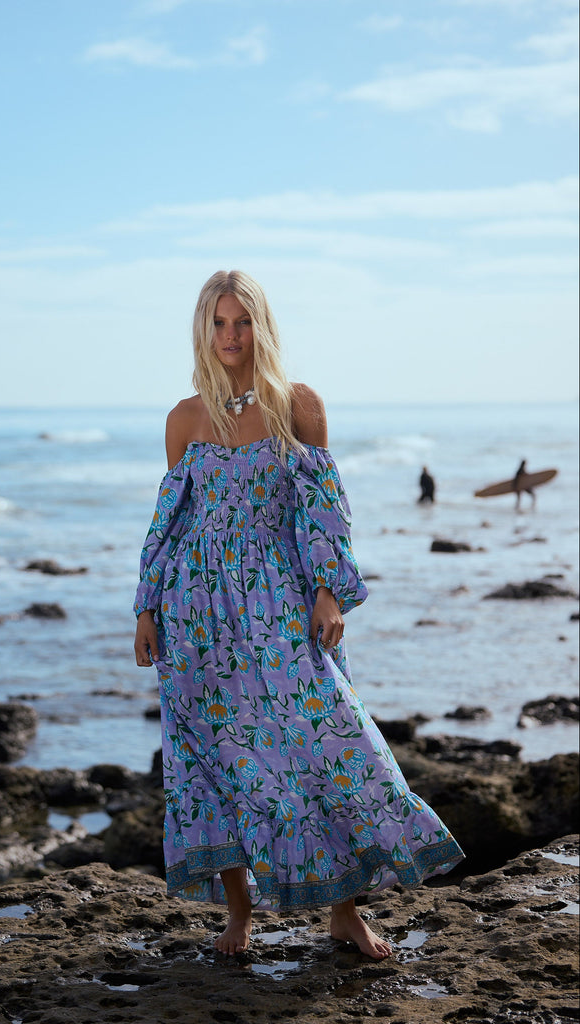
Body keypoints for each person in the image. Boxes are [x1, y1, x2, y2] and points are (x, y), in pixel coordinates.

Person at [133, 270, 464, 960]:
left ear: (261, 326)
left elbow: (324, 509)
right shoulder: (184, 418)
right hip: (195, 615)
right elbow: (168, 522)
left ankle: (344, 910)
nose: (230, 336)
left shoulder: (297, 404)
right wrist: (145, 608)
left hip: (280, 602)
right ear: (204, 330)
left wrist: (327, 590)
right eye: (219, 323)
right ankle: (238, 918)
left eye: (241, 322)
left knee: (325, 741)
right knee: (212, 758)